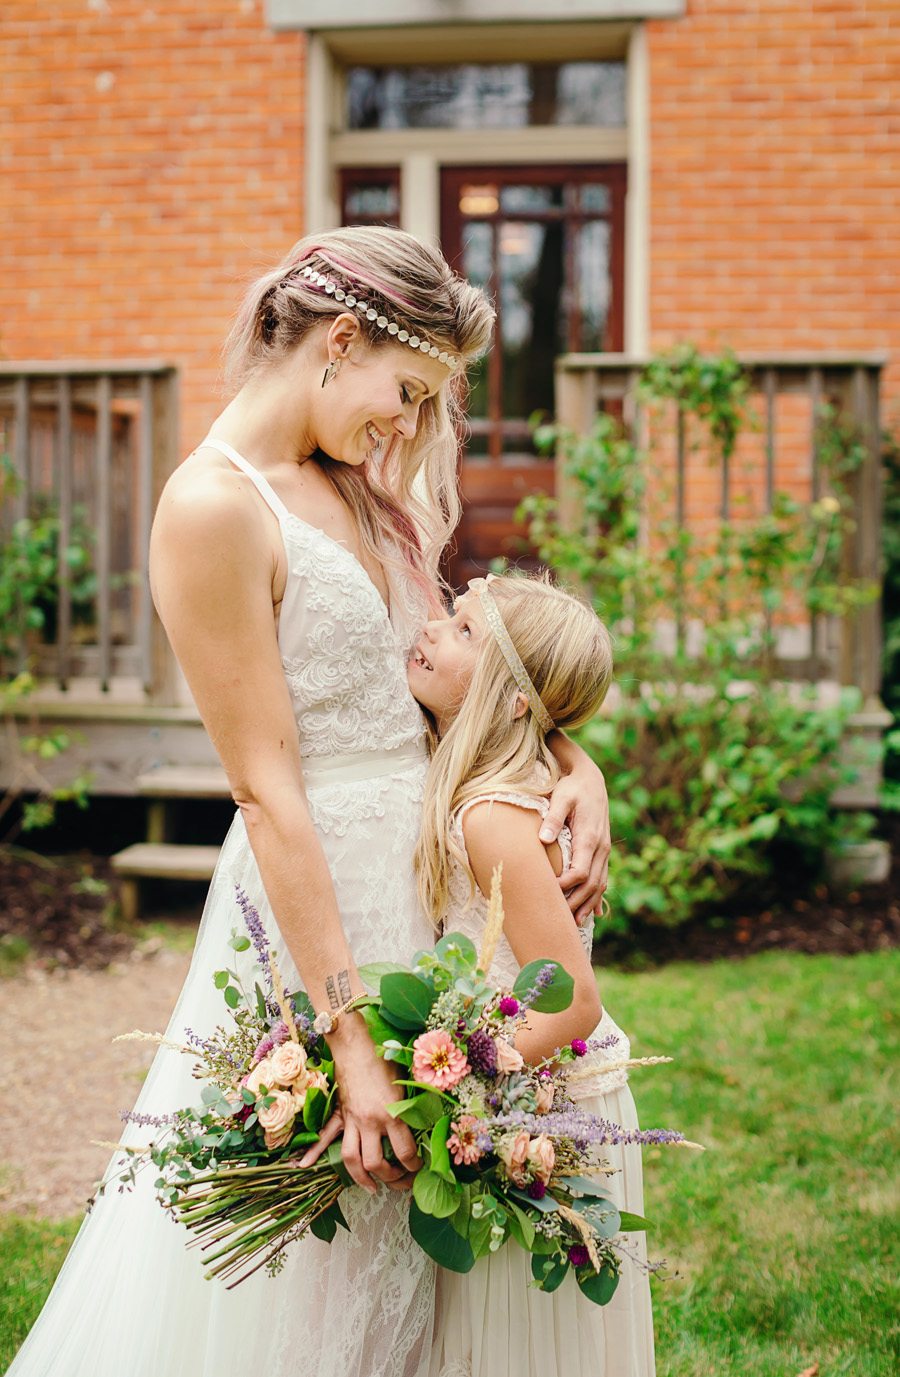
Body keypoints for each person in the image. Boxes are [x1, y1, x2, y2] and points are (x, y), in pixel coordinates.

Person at [7, 227, 612, 1377]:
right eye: (409, 390)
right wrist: (346, 1034)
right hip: (310, 912)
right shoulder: (211, 510)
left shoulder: (370, 492)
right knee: (305, 1249)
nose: (410, 424)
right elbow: (263, 785)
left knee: (413, 1240)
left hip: (429, 898)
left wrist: (577, 774)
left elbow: (469, 679)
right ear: (340, 341)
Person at [406, 573, 655, 1377]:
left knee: (520, 1344)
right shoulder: (497, 784)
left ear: (514, 701)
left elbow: (576, 1001)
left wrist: (459, 1089)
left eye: (465, 631)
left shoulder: (494, 819)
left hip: (549, 1100)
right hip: (538, 1085)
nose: (435, 630)